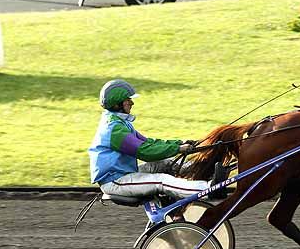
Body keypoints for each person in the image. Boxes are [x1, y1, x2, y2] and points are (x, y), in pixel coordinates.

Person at [89, 79, 224, 200]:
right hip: (115, 181)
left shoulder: (119, 122)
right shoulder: (114, 129)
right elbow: (145, 152)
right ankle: (208, 189)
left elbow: (148, 143)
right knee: (161, 181)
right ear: (117, 104)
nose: (132, 102)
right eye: (127, 100)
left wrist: (179, 143)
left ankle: (201, 170)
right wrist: (177, 149)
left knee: (163, 163)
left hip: (123, 173)